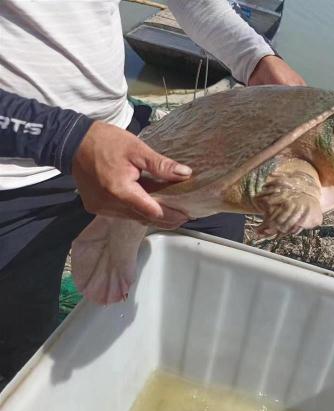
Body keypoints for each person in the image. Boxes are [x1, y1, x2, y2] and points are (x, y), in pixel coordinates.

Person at [0, 0, 305, 387]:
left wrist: (256, 57)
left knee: (215, 260)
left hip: (123, 128)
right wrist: (66, 138)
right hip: (12, 174)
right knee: (20, 363)